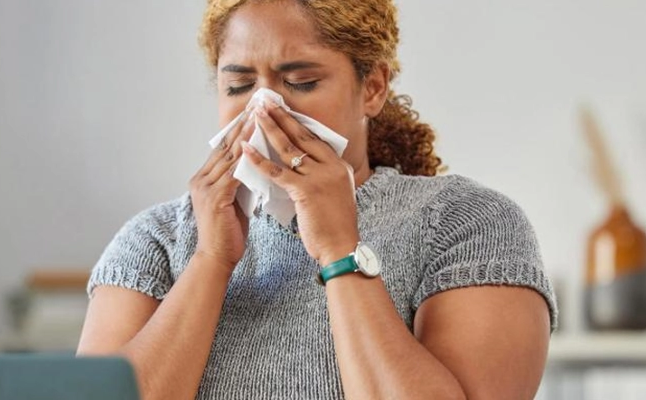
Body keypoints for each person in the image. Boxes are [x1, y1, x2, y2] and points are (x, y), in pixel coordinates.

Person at [77, 0, 557, 399]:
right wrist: (209, 259)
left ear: (372, 88)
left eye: (301, 82)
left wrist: (340, 251)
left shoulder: (467, 224)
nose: (263, 108)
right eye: (239, 85)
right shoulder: (156, 239)